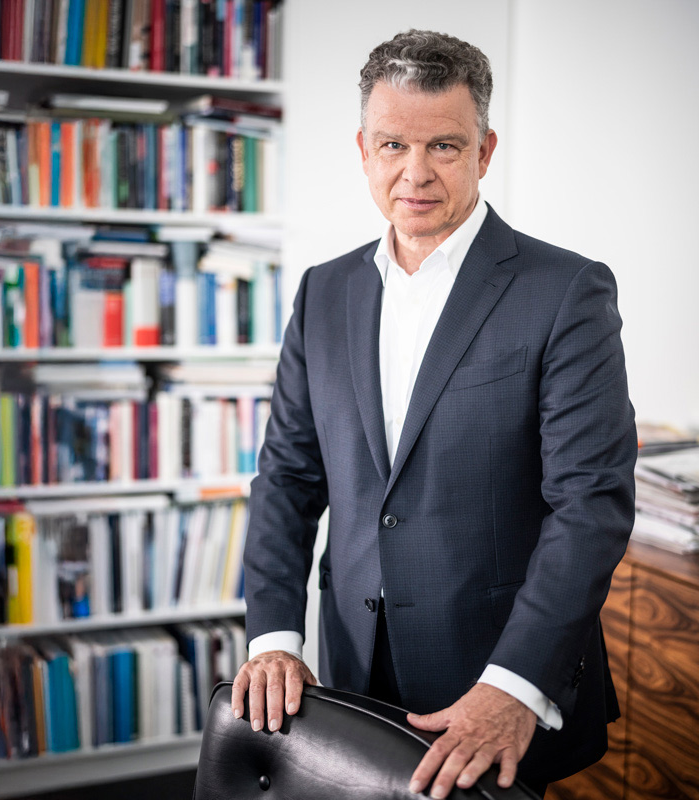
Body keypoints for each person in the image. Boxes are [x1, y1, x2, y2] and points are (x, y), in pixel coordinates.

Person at [231, 29, 636, 799]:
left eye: (445, 147)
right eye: (392, 146)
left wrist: (515, 684)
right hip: (352, 666)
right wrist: (276, 639)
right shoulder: (324, 291)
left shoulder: (565, 291)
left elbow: (590, 506)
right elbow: (286, 477)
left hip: (494, 678)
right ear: (363, 149)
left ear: (484, 151)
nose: (414, 174)